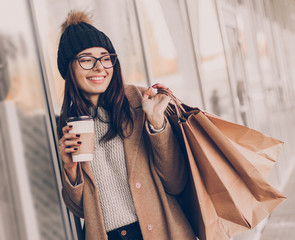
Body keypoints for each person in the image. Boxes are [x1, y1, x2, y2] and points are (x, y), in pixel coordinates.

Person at [56, 11, 195, 240]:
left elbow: (176, 182)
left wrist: (157, 124)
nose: (99, 67)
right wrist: (71, 171)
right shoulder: (68, 124)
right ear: (69, 68)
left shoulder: (140, 102)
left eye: (105, 57)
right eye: (87, 59)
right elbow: (80, 210)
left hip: (159, 231)